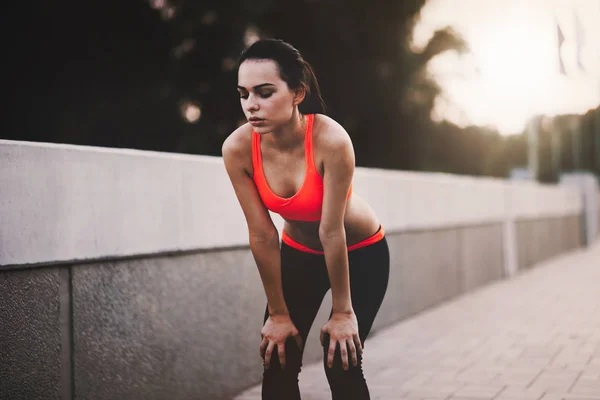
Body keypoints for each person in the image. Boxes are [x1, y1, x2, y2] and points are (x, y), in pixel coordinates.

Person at [222, 38, 390, 400]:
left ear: (297, 93)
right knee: (278, 357)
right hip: (299, 251)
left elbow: (332, 232)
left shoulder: (331, 139)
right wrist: (278, 314)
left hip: (360, 251)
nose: (251, 105)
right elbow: (263, 236)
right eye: (243, 93)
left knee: (340, 358)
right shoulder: (237, 149)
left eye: (264, 92)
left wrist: (343, 313)